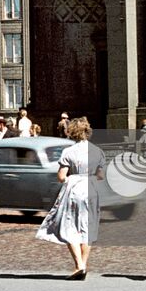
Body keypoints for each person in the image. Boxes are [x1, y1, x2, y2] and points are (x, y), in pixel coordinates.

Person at [37, 116, 106, 279]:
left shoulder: (69, 151)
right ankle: (83, 264)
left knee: (69, 226)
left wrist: (72, 178)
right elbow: (101, 175)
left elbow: (61, 176)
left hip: (74, 189)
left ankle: (79, 265)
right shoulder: (97, 151)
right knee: (88, 228)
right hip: (91, 189)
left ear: (72, 132)